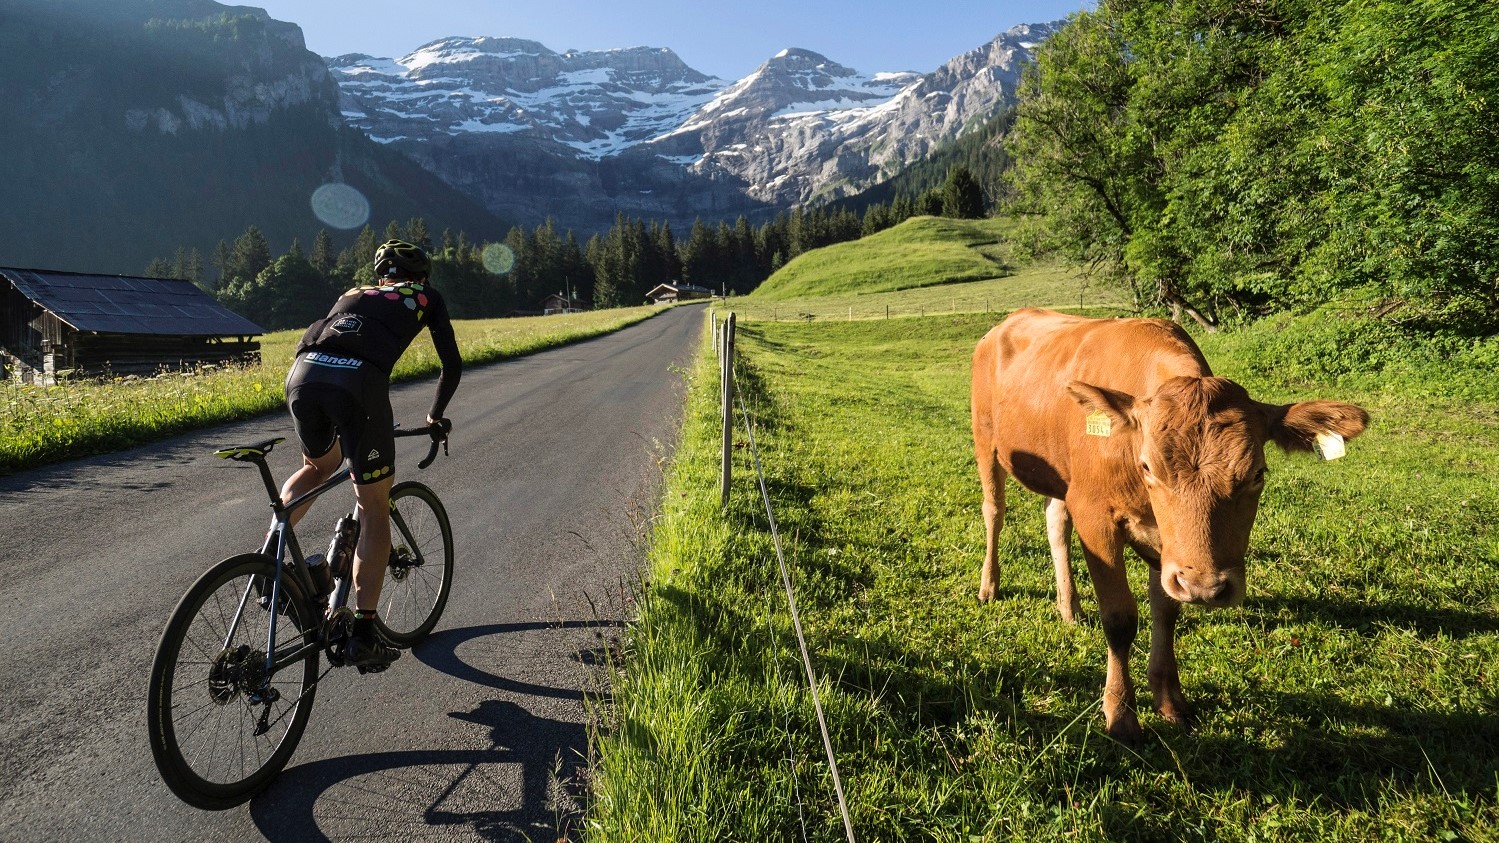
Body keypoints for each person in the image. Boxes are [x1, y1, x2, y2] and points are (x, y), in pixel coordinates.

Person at [276, 239, 461, 671]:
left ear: (381, 275)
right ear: (421, 277)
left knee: (317, 467)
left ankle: (270, 570)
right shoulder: (426, 297)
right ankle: (363, 632)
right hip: (358, 385)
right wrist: (435, 415)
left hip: (302, 375)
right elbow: (450, 365)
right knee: (374, 506)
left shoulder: (353, 293)